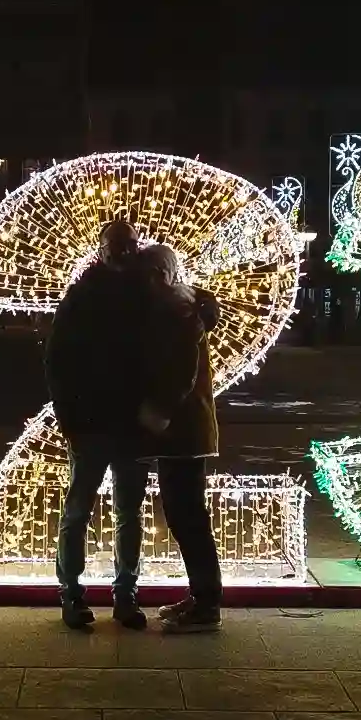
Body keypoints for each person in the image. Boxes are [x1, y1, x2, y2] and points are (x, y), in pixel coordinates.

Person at [44, 216, 150, 631]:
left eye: (130, 244)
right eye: (115, 244)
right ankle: (71, 594)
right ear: (101, 249)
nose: (124, 251)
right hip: (90, 423)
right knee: (78, 511)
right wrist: (69, 416)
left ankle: (126, 595)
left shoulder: (147, 293)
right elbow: (57, 359)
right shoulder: (82, 296)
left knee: (129, 512)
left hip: (130, 425)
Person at [134, 242, 224, 633]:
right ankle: (200, 597)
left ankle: (207, 604)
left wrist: (158, 413)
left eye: (149, 274)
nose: (144, 282)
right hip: (180, 431)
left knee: (188, 516)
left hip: (182, 431)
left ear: (163, 274)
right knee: (183, 514)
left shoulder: (179, 310)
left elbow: (182, 372)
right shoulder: (176, 306)